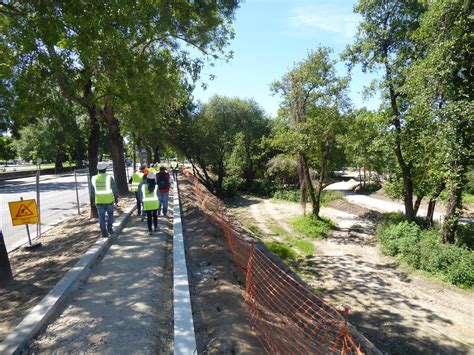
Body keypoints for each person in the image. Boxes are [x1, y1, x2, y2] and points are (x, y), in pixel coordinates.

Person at [91, 161, 119, 238]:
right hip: (109, 200)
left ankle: (103, 232)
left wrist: (93, 200)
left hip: (99, 201)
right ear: (105, 169)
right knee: (110, 215)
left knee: (101, 217)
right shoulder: (109, 177)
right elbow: (114, 189)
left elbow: (92, 191)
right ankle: (110, 229)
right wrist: (116, 198)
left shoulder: (93, 178)